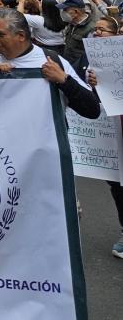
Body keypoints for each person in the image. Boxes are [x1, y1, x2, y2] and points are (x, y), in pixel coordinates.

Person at [0, 8, 99, 119]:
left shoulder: (52, 61)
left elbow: (92, 111)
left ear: (21, 35)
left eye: (0, 35)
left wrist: (64, 80)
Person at [83, 20, 123, 258]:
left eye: (103, 29)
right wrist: (95, 85)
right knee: (118, 185)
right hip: (113, 131)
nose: (97, 33)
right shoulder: (94, 61)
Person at [56, 0, 97, 69]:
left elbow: (91, 54)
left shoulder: (92, 29)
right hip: (68, 64)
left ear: (76, 12)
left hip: (79, 68)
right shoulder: (72, 23)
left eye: (65, 10)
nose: (62, 12)